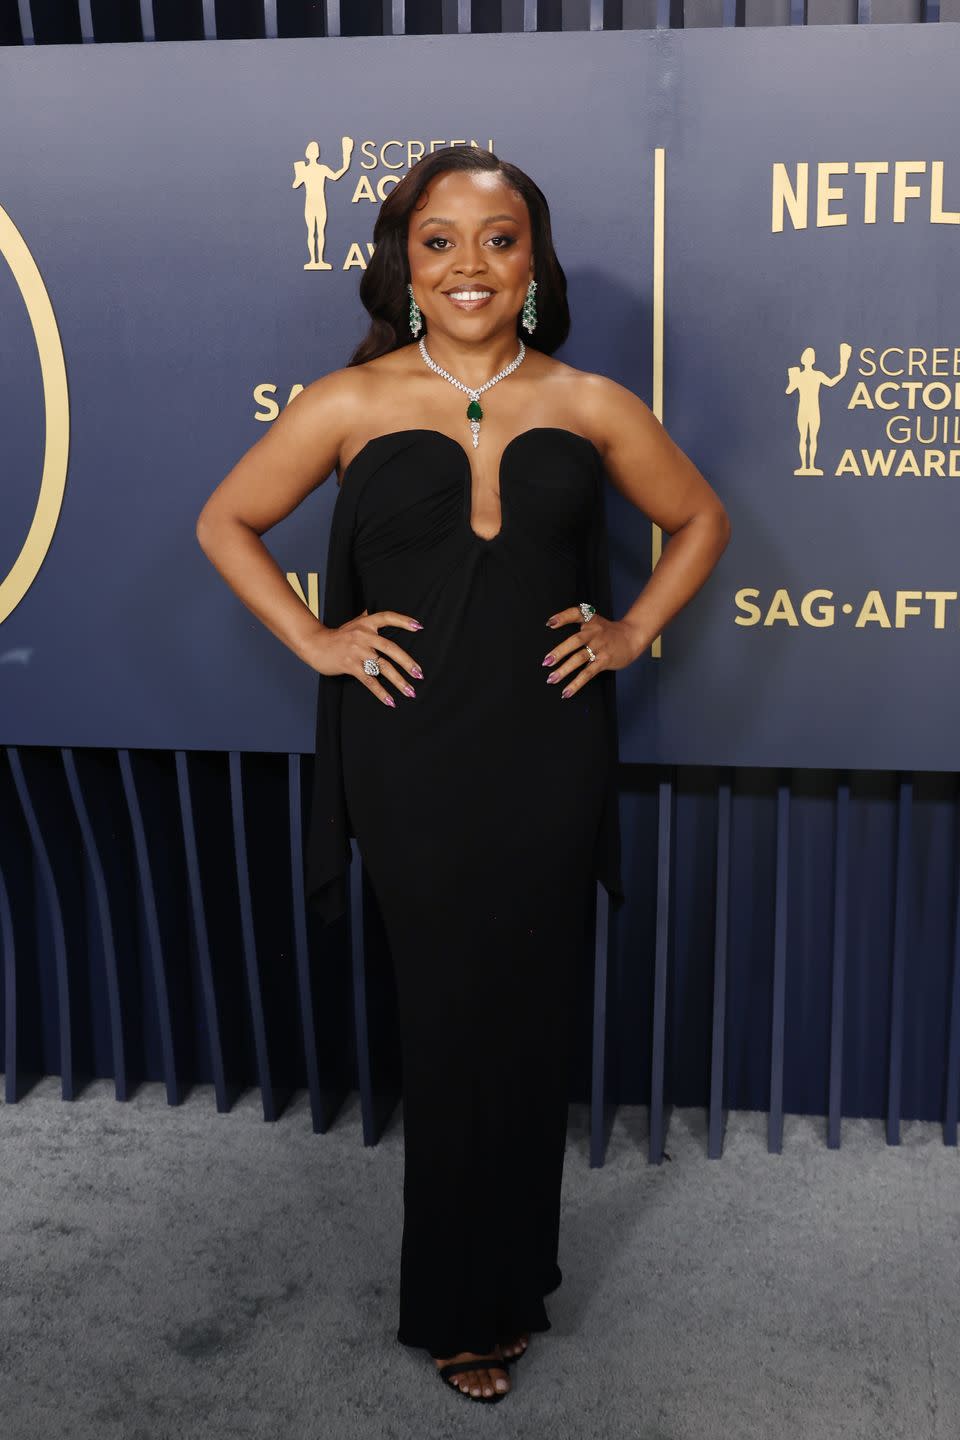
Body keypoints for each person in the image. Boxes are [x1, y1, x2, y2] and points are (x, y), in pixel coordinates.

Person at [195, 145, 730, 1404]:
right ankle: (456, 1305)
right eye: (440, 241)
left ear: (531, 259)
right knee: (447, 1028)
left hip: (548, 749)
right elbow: (227, 521)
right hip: (410, 755)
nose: (470, 265)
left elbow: (699, 519)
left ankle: (513, 1280)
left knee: (531, 1024)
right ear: (404, 262)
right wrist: (321, 641)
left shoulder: (593, 401)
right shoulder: (348, 401)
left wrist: (630, 631)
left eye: (498, 238)